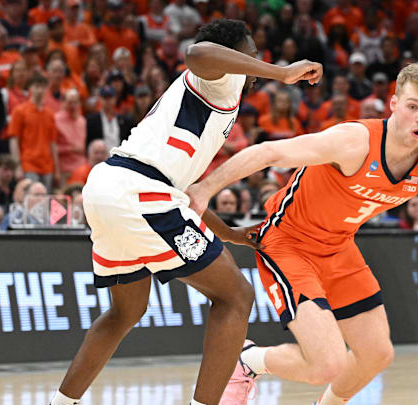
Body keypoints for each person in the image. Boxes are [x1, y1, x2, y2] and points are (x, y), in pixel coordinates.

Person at [49, 19, 322, 405]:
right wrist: (282, 73)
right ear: (237, 56)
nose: (256, 61)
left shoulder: (219, 96)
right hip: (138, 190)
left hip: (114, 187)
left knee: (126, 312)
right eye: (252, 54)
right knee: (235, 296)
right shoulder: (219, 79)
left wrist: (227, 232)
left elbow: (178, 191)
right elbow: (197, 52)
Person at [186, 62, 418, 405]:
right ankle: (248, 361)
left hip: (339, 248)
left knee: (377, 354)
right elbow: (270, 152)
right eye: (413, 106)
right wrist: (207, 187)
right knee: (327, 364)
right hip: (289, 243)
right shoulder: (354, 141)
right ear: (394, 104)